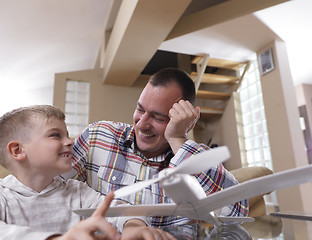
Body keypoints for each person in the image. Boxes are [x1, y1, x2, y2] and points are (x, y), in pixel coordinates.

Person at [63, 68, 249, 237]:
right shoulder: (98, 135)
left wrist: (177, 139)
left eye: (158, 117)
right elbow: (49, 187)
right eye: (139, 109)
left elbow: (236, 216)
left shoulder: (197, 160)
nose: (142, 124)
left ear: (187, 120)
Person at [0, 105, 176, 240]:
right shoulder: (4, 196)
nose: (69, 142)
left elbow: (121, 209)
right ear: (17, 150)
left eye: (67, 135)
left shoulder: (77, 191)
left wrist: (134, 227)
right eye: (55, 135)